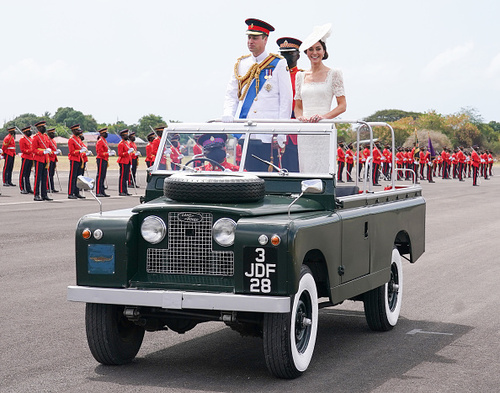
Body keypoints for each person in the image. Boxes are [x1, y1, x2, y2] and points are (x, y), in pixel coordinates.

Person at [222, 18, 293, 171]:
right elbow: (232, 93)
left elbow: (286, 100)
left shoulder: (278, 63)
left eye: (255, 38)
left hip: (268, 133)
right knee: (245, 173)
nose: (250, 41)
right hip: (244, 130)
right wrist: (228, 113)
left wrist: (282, 133)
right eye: (249, 37)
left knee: (267, 175)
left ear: (265, 39)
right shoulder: (241, 63)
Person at [294, 23, 346, 173]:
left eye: (318, 49)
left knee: (324, 170)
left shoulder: (334, 73)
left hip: (324, 129)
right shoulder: (300, 76)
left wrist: (323, 117)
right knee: (306, 169)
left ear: (324, 51)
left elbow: (342, 105)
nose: (314, 52)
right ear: (306, 52)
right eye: (310, 49)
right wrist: (300, 117)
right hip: (305, 131)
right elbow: (297, 106)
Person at [277, 36, 302, 172]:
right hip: (278, 126)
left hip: (295, 130)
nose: (286, 57)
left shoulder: (302, 76)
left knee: (294, 167)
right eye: (283, 54)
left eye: (290, 54)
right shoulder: (273, 75)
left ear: (298, 55)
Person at [31, 121, 53, 201]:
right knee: (38, 177)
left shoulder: (46, 136)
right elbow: (33, 150)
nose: (44, 128)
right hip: (39, 158)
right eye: (43, 127)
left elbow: (49, 146)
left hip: (45, 159)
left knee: (45, 177)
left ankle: (44, 194)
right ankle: (36, 194)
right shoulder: (36, 137)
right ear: (39, 128)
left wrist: (49, 150)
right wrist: (42, 152)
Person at [67, 124, 86, 199]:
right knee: (73, 177)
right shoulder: (71, 140)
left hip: (79, 159)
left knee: (78, 177)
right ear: (74, 131)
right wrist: (80, 151)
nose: (79, 131)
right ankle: (70, 193)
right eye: (77, 130)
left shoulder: (78, 139)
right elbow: (72, 152)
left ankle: (76, 192)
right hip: (74, 159)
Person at [95, 127, 110, 197]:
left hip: (104, 159)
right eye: (105, 133)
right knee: (100, 175)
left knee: (103, 176)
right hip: (101, 159)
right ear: (102, 133)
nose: (106, 134)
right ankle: (98, 191)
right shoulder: (100, 141)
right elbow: (100, 153)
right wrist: (108, 154)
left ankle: (102, 191)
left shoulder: (104, 140)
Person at [18, 126, 34, 194]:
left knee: (28, 174)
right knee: (23, 173)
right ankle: (22, 188)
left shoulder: (31, 139)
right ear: (25, 132)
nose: (30, 132)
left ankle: (28, 188)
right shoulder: (22, 139)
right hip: (25, 157)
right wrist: (31, 150)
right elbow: (23, 150)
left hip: (31, 157)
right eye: (28, 131)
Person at [117, 129, 132, 196]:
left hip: (127, 161)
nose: (127, 136)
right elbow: (120, 154)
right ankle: (121, 191)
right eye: (126, 135)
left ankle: (125, 190)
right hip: (123, 161)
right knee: (122, 177)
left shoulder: (127, 143)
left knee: (125, 177)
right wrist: (127, 152)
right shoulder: (121, 144)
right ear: (123, 136)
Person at [47, 127, 62, 193]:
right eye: (52, 133)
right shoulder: (47, 140)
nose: (54, 135)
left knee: (52, 174)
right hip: (49, 159)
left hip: (53, 158)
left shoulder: (53, 141)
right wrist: (54, 152)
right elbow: (47, 151)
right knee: (48, 174)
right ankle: (48, 187)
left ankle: (52, 187)